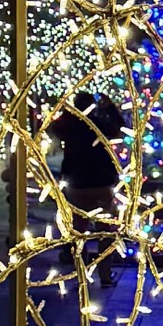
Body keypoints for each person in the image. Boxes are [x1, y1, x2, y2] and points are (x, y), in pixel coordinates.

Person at [51, 93, 123, 287]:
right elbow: (120, 129)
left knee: (78, 234)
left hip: (77, 185)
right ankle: (105, 276)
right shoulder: (98, 124)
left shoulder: (69, 126)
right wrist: (110, 109)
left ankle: (82, 275)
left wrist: (66, 109)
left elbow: (53, 126)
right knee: (105, 233)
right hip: (101, 184)